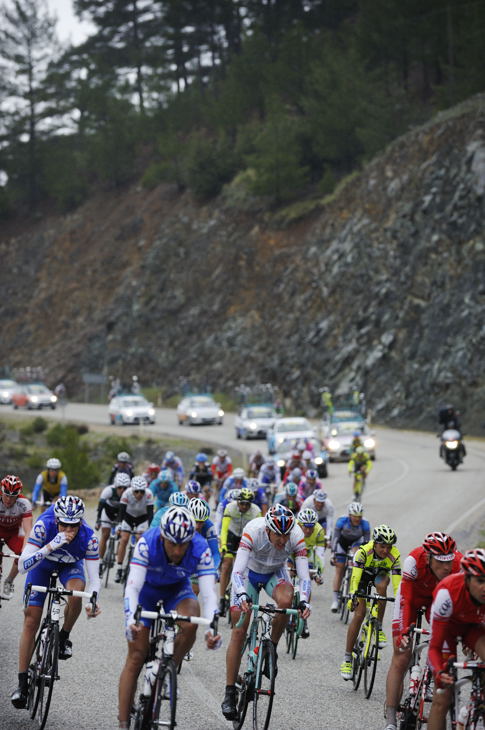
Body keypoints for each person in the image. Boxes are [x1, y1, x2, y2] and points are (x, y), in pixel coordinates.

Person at [118, 506, 221, 729]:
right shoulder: (147, 542)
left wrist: (212, 629)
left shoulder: (200, 548)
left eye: (182, 544)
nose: (177, 550)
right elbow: (133, 587)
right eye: (172, 543)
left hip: (177, 590)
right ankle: (123, 722)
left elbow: (209, 593)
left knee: (192, 618)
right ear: (163, 536)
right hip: (147, 590)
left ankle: (170, 667)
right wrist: (130, 620)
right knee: (136, 656)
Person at [221, 504, 311, 720]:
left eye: (285, 535)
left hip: (275, 573)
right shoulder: (253, 530)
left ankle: (272, 648)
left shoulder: (297, 535)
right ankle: (230, 691)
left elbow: (304, 576)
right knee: (239, 630)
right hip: (248, 575)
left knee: (287, 601)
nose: (282, 541)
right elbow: (237, 571)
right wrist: (242, 594)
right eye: (278, 535)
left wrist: (306, 602)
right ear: (268, 529)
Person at [11, 495, 101, 709]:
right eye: (63, 525)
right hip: (42, 565)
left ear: (81, 523)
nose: (68, 530)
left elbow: (95, 580)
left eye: (73, 526)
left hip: (70, 567)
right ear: (56, 521)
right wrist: (51, 545)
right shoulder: (43, 526)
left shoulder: (89, 537)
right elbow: (23, 566)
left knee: (77, 591)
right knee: (31, 621)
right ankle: (22, 684)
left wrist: (93, 601)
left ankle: (63, 637)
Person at [383, 532, 462, 730]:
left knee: (444, 647)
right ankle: (391, 716)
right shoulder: (413, 560)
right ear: (428, 557)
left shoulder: (458, 565)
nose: (446, 567)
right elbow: (407, 601)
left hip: (438, 600)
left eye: (449, 562)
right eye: (441, 562)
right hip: (414, 597)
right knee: (401, 655)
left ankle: (429, 678)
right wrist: (403, 633)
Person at [425, 549, 485, 730]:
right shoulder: (447, 592)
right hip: (448, 630)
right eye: (480, 581)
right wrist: (439, 673)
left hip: (474, 627)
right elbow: (434, 647)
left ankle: (474, 707)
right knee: (442, 697)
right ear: (467, 579)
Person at [340, 524, 401, 680]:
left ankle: (378, 627)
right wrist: (353, 594)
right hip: (361, 578)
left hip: (379, 576)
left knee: (382, 587)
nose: (385, 551)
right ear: (375, 543)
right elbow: (355, 578)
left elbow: (397, 583)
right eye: (382, 546)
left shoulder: (394, 555)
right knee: (359, 615)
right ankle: (347, 658)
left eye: (388, 547)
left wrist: (400, 600)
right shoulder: (363, 552)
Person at [219, 488, 261, 616]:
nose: (244, 506)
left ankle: (238, 591)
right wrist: (223, 545)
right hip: (231, 535)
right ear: (237, 502)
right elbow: (224, 529)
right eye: (241, 503)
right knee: (226, 565)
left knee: (242, 568)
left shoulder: (256, 512)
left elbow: (259, 533)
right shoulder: (230, 508)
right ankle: (221, 599)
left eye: (247, 504)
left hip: (246, 537)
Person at [330, 502, 370, 612]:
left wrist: (365, 559)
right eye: (355, 516)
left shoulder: (365, 524)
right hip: (342, 542)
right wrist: (333, 553)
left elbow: (367, 544)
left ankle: (351, 584)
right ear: (349, 515)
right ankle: (335, 600)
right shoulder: (342, 521)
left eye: (359, 517)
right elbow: (335, 538)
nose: (357, 519)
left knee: (356, 555)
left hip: (355, 543)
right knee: (339, 569)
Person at [114, 476, 154, 583]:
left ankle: (138, 566)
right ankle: (119, 569)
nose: (139, 494)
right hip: (128, 517)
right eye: (136, 491)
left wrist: (151, 528)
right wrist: (119, 525)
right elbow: (121, 512)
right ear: (132, 490)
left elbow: (150, 514)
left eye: (142, 492)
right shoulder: (126, 493)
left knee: (139, 538)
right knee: (124, 539)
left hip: (142, 518)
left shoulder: (149, 494)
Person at [0, 475, 33, 598]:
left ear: (18, 495)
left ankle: (9, 581)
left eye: (13, 496)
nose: (8, 499)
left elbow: (28, 529)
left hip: (14, 533)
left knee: (22, 553)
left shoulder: (24, 503)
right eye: (6, 494)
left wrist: (25, 549)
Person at [95, 472, 131, 571]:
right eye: (119, 487)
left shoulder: (129, 493)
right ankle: (100, 561)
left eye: (125, 488)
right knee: (105, 535)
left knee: (122, 535)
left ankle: (117, 552)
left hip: (121, 514)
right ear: (115, 486)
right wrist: (98, 520)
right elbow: (100, 506)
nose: (122, 490)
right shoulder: (108, 490)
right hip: (107, 513)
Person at [188, 498, 221, 597]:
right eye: (196, 521)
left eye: (201, 522)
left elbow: (215, 553)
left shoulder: (209, 526)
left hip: (195, 555)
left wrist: (214, 570)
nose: (198, 526)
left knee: (194, 591)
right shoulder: (182, 522)